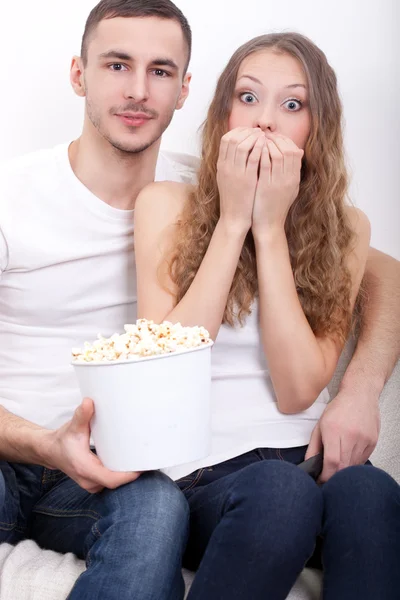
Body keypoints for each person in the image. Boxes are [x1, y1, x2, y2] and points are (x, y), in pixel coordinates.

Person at [134, 32, 400, 599]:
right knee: (282, 493)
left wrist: (271, 229)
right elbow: (164, 363)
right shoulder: (166, 204)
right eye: (249, 98)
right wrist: (234, 221)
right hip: (209, 479)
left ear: (316, 126)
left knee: (372, 494)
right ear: (224, 112)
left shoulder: (345, 228)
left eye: (292, 104)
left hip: (309, 462)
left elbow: (297, 392)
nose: (266, 122)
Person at [0, 1, 195, 599]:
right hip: (7, 452)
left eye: (160, 71)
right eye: (117, 64)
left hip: (105, 473)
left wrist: (361, 391)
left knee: (159, 504)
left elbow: (374, 269)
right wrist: (43, 443)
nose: (138, 90)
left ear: (184, 89)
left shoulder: (206, 194)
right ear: (79, 74)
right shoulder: (13, 194)